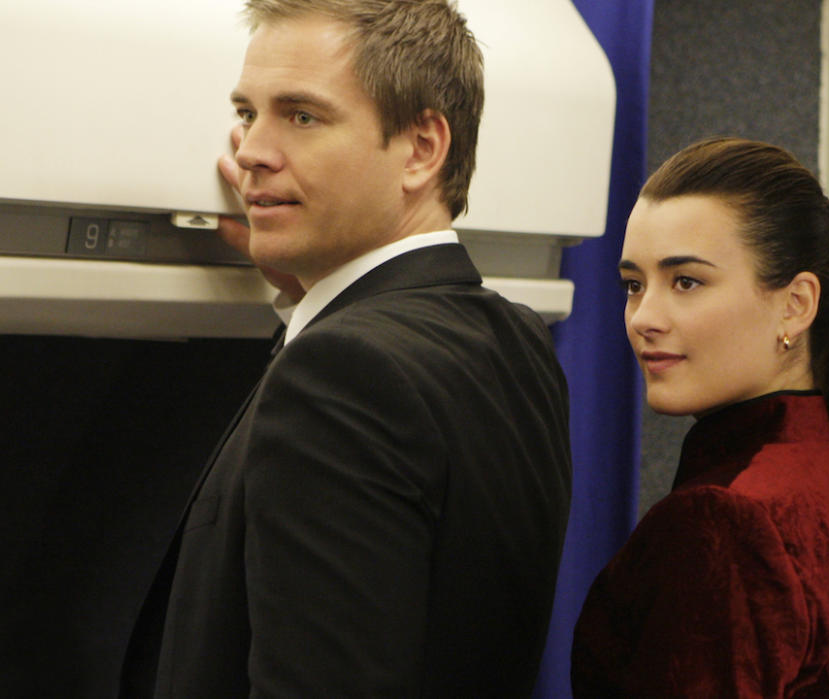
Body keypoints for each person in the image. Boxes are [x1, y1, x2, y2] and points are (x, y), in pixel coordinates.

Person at [121, 1, 573, 696]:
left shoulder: (338, 375)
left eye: (302, 116)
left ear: (422, 149)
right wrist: (303, 284)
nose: (252, 152)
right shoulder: (514, 338)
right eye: (247, 113)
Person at [571, 137, 829, 698]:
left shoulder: (727, 519)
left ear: (796, 304)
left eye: (686, 282)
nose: (644, 317)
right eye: (633, 285)